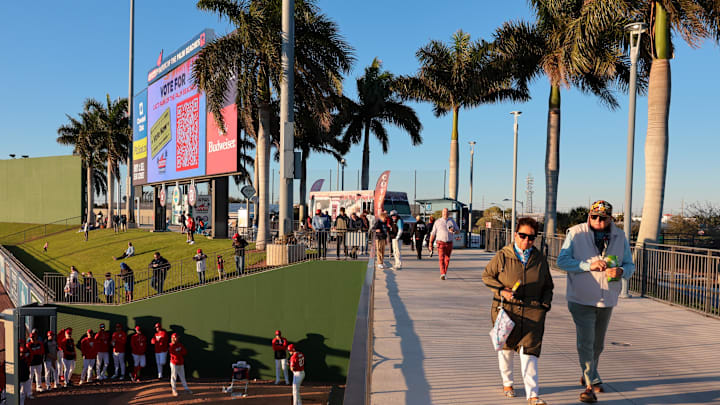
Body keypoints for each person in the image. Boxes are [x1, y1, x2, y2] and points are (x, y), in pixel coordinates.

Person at [556, 200, 635, 403]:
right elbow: (561, 261)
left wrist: (622, 271)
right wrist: (587, 265)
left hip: (607, 298)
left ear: (610, 219)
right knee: (586, 342)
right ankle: (590, 385)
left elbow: (629, 265)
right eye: (594, 216)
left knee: (598, 344)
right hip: (581, 298)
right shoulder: (575, 232)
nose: (598, 221)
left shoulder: (619, 236)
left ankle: (588, 373)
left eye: (603, 218)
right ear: (588, 216)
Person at [482, 217, 553, 405]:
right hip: (505, 310)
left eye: (531, 237)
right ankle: (508, 383)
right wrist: (501, 290)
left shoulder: (539, 259)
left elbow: (548, 286)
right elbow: (487, 276)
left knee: (529, 353)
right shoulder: (502, 256)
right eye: (522, 236)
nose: (526, 241)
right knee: (505, 350)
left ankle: (533, 395)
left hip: (532, 313)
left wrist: (544, 305)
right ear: (515, 234)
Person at [428, 208, 459, 280]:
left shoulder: (452, 221)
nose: (445, 213)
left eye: (447, 212)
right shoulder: (438, 222)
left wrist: (454, 230)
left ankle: (444, 273)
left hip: (449, 242)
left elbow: (458, 231)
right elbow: (433, 233)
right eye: (444, 212)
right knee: (441, 258)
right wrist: (430, 243)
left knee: (447, 259)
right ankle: (442, 273)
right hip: (440, 242)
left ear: (449, 213)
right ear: (442, 213)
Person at [26, 329, 45, 394]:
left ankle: (38, 386)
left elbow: (42, 351)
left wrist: (34, 352)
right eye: (31, 338)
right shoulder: (28, 345)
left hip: (38, 362)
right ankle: (29, 389)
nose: (32, 339)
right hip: (31, 363)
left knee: (38, 375)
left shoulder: (40, 343)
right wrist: (36, 352)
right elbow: (31, 353)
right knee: (30, 376)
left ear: (36, 337)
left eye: (33, 337)